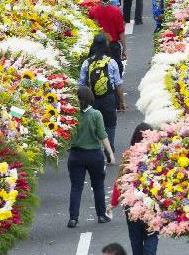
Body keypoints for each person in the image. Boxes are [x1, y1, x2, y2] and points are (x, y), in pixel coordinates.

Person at [67, 86, 115, 228]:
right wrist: (110, 153)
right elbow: (102, 135)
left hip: (75, 155)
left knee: (76, 187)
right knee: (98, 185)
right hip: (94, 154)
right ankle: (101, 215)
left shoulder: (72, 116)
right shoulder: (96, 114)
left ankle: (73, 218)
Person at [116, 123, 159, 255]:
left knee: (135, 239)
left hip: (132, 204)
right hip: (152, 203)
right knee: (152, 234)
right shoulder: (157, 154)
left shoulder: (128, 156)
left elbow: (120, 181)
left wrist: (117, 200)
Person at [79, 34, 125, 150]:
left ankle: (95, 147)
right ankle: (110, 146)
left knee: (94, 122)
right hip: (109, 97)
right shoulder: (111, 62)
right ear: (106, 45)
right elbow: (118, 83)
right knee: (110, 122)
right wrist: (121, 101)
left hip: (92, 98)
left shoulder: (87, 62)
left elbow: (81, 84)